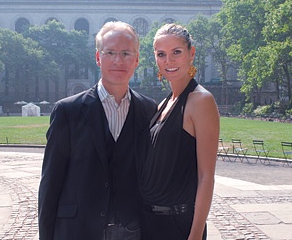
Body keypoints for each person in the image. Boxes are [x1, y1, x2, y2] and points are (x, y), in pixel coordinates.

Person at [38, 21, 157, 240]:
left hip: (135, 232)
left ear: (137, 59)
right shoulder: (68, 111)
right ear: (98, 57)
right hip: (79, 230)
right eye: (110, 52)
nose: (118, 60)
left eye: (126, 53)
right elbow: (50, 182)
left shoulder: (150, 111)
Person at [138, 23, 220, 240]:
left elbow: (206, 177)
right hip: (149, 224)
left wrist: (194, 236)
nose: (169, 61)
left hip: (178, 226)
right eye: (161, 54)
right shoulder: (163, 104)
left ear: (191, 54)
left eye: (176, 52)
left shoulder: (200, 101)